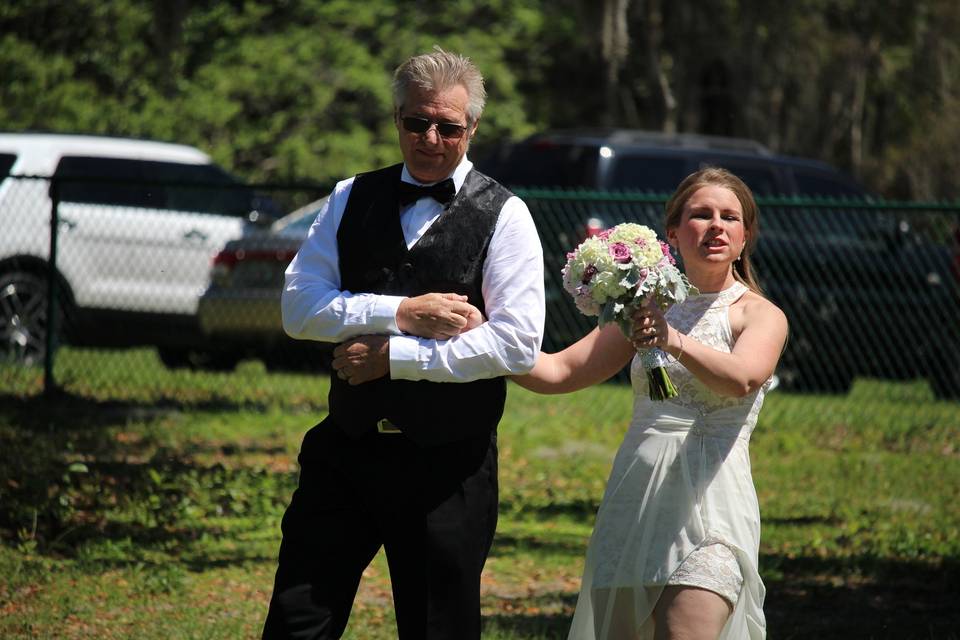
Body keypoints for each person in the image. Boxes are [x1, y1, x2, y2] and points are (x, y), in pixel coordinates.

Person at [261, 48, 545, 639]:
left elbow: (515, 344)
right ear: (398, 121)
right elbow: (298, 308)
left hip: (449, 465)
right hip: (347, 448)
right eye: (418, 122)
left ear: (473, 129)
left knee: (437, 628)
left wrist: (395, 356)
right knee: (297, 619)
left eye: (448, 126)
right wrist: (402, 314)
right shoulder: (348, 197)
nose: (431, 137)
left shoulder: (506, 215)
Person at [514, 167, 788, 640]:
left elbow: (742, 379)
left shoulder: (759, 315)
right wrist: (478, 341)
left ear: (745, 237)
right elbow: (558, 372)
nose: (716, 226)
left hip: (712, 504)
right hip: (636, 497)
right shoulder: (644, 306)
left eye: (730, 217)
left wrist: (673, 339)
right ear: (674, 233)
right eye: (701, 215)